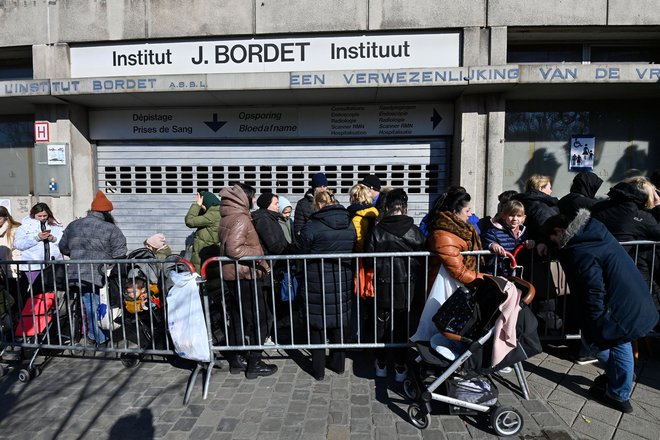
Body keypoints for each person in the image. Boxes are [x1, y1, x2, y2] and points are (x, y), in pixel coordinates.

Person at [542, 210, 658, 413]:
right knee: (614, 343)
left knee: (610, 342)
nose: (553, 244)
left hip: (616, 306)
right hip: (627, 299)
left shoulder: (581, 250)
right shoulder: (591, 232)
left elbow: (592, 289)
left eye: (552, 239)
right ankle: (619, 376)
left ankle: (619, 394)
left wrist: (596, 320)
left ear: (560, 232)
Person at [363, 189, 425, 382]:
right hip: (407, 286)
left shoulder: (377, 230)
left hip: (383, 284)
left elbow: (367, 261)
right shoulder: (414, 231)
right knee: (402, 324)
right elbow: (422, 259)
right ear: (404, 208)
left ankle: (381, 363)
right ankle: (400, 366)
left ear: (387, 208)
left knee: (381, 324)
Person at [296, 189, 356, 380]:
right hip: (342, 277)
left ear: (319, 204)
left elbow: (302, 249)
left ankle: (319, 369)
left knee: (317, 324)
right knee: (339, 321)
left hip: (317, 279)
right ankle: (338, 365)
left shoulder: (312, 225)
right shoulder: (349, 222)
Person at [219, 182, 277, 379]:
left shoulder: (228, 215)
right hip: (244, 275)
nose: (254, 201)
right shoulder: (241, 219)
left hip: (235, 275)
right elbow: (233, 250)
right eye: (252, 197)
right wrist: (259, 254)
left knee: (238, 318)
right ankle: (254, 363)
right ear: (245, 199)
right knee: (258, 320)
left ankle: (236, 361)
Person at [59, 191, 127, 347]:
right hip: (100, 275)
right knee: (97, 306)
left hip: (77, 273)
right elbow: (120, 253)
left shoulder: (73, 225)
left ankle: (93, 336)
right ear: (106, 212)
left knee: (89, 306)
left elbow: (63, 247)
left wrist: (75, 254)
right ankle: (100, 339)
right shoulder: (110, 229)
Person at [513, 174, 562, 331]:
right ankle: (547, 333)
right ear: (541, 188)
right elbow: (550, 230)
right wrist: (545, 242)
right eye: (548, 186)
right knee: (545, 299)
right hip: (540, 260)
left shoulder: (524, 202)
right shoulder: (541, 207)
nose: (551, 190)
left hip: (527, 259)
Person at [426, 190, 484, 289]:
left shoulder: (464, 229)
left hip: (460, 285)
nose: (470, 214)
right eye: (467, 210)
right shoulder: (443, 236)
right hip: (447, 288)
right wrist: (486, 278)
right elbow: (459, 272)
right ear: (454, 212)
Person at [13, 203, 64, 299]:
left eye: (45, 215)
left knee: (51, 294)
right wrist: (36, 238)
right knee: (35, 294)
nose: (42, 218)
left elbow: (63, 242)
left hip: (53, 265)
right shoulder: (24, 227)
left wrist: (53, 239)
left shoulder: (56, 226)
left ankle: (49, 312)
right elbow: (18, 244)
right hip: (33, 266)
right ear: (33, 215)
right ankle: (33, 312)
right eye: (39, 216)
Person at [481, 200, 535, 277]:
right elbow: (486, 240)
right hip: (498, 273)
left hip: (520, 273)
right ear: (503, 216)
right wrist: (492, 245)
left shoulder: (525, 232)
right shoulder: (494, 231)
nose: (515, 219)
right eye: (511, 215)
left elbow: (534, 242)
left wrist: (531, 243)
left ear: (524, 218)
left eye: (519, 216)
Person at [184, 190, 221, 272]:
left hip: (205, 256)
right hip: (207, 255)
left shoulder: (213, 214)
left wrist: (197, 205)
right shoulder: (215, 212)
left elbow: (189, 221)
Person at [294, 172, 328, 238]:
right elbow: (298, 228)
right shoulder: (303, 204)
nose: (322, 189)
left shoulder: (333, 202)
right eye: (319, 186)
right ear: (314, 187)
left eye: (324, 186)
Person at [0, 206, 21, 281]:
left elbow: (18, 250)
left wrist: (17, 266)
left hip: (13, 270)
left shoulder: (14, 230)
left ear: (6, 217)